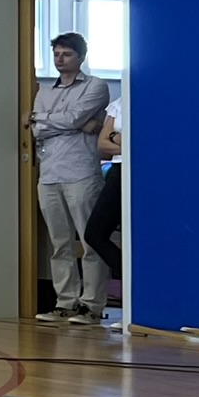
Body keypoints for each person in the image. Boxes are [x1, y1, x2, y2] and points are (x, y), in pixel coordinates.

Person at [29, 32, 112, 324]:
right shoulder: (44, 92)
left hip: (81, 172)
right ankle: (66, 302)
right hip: (49, 173)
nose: (60, 59)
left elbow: (72, 117)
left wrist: (45, 119)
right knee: (59, 243)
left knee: (90, 241)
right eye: (56, 54)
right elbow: (35, 129)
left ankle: (92, 306)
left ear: (81, 57)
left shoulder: (95, 86)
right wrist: (74, 124)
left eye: (66, 54)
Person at [85, 97, 124, 324]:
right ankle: (130, 278)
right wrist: (120, 140)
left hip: (143, 169)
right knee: (94, 233)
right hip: (118, 171)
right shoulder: (118, 103)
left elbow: (143, 140)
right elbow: (102, 145)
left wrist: (115, 137)